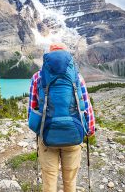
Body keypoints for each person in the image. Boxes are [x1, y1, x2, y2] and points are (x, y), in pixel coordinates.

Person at [28, 43, 95, 192]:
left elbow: (32, 109)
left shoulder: (38, 77)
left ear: (48, 57)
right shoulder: (77, 76)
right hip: (73, 134)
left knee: (49, 180)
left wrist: (38, 131)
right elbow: (86, 105)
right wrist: (89, 130)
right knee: (70, 181)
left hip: (47, 135)